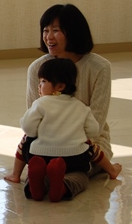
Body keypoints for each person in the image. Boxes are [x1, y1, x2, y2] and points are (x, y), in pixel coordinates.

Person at [4, 4, 114, 198]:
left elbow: (96, 121)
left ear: (74, 32)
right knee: (67, 166)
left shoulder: (99, 67)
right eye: (45, 30)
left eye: (56, 30)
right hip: (49, 139)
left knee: (80, 163)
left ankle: (45, 180)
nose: (48, 37)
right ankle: (56, 181)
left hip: (86, 142)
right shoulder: (38, 67)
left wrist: (69, 145)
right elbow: (33, 115)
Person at [18, 58, 122, 202]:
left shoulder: (39, 104)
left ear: (60, 86)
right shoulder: (81, 106)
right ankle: (64, 187)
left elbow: (28, 128)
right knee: (81, 176)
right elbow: (93, 130)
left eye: (43, 81)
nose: (38, 86)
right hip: (74, 157)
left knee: (35, 166)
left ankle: (34, 186)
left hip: (40, 154)